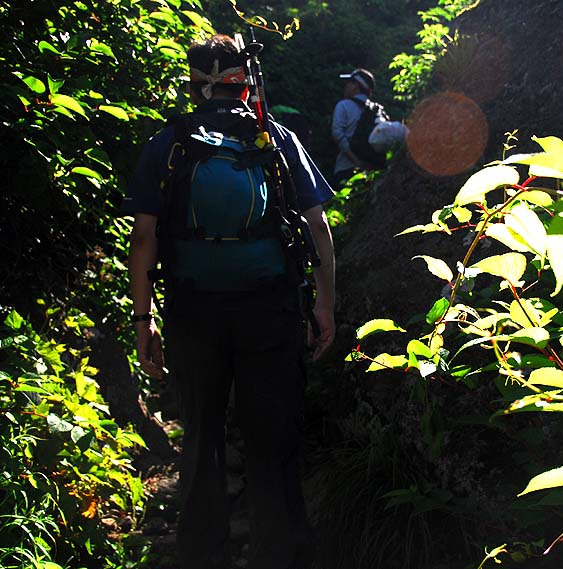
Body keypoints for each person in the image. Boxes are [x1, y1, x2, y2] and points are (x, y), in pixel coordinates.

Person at [121, 34, 336, 569]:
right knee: (273, 436)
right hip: (269, 307)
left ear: (194, 84)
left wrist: (144, 319)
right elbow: (317, 225)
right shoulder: (274, 138)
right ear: (246, 82)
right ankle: (280, 554)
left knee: (201, 434)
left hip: (193, 310)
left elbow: (143, 238)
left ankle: (200, 555)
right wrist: (325, 304)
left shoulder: (169, 143)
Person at [331, 67, 377, 186]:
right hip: (371, 173)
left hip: (345, 169)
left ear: (356, 86)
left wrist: (356, 161)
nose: (346, 86)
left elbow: (337, 134)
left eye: (349, 83)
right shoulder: (377, 110)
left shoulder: (343, 105)